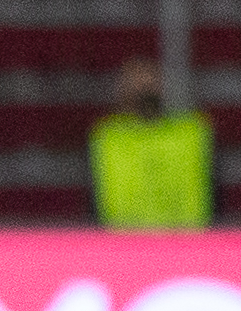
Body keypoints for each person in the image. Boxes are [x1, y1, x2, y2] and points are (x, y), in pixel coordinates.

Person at [90, 58, 214, 230]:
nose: (144, 81)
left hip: (187, 241)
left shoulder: (192, 132)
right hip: (124, 244)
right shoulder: (108, 136)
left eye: (150, 74)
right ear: (122, 87)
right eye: (136, 75)